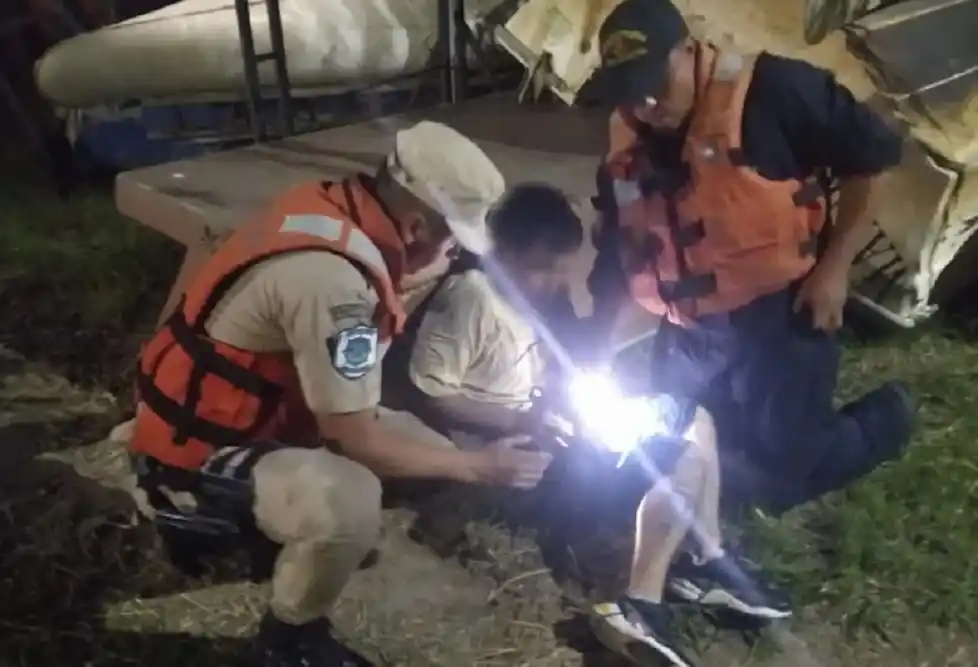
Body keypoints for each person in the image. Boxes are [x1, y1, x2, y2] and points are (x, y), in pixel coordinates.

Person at [121, 120, 554, 667]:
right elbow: (354, 439)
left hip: (236, 411)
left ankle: (259, 521)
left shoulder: (333, 209)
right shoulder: (334, 286)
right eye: (451, 240)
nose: (454, 256)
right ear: (416, 225)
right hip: (201, 445)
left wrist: (453, 457)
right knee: (350, 502)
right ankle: (288, 637)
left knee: (425, 448)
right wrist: (477, 467)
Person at [391, 182, 788, 667]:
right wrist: (524, 418)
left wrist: (581, 380)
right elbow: (431, 390)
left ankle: (705, 558)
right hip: (514, 445)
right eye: (541, 267)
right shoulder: (470, 297)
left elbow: (565, 353)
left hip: (556, 420)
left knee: (694, 418)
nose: (553, 281)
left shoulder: (545, 298)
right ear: (503, 252)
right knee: (679, 453)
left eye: (561, 268)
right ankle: (641, 601)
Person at [580, 0, 916, 517]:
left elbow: (870, 160)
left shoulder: (775, 90)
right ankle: (734, 431)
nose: (647, 106)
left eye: (655, 85)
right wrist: (598, 352)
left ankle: (889, 417)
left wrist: (835, 269)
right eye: (631, 95)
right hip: (690, 328)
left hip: (780, 316)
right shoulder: (628, 137)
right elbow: (619, 245)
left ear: (689, 51)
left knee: (773, 482)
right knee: (664, 455)